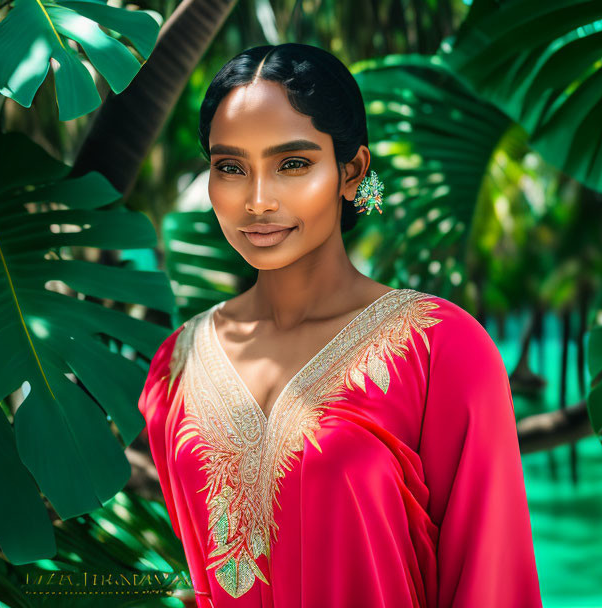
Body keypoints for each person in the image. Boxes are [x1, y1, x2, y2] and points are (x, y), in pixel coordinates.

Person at [137, 43, 543, 607]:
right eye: (231, 168)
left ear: (351, 172)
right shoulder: (175, 367)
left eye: (293, 164)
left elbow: (491, 584)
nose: (257, 201)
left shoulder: (440, 349)